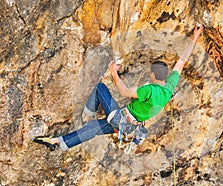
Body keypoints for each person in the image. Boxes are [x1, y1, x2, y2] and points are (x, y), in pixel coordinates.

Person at [34, 24, 204, 152]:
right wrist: (195, 38)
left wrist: (113, 72)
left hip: (120, 119)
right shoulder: (169, 87)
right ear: (165, 75)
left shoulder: (149, 90)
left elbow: (124, 91)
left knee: (100, 88)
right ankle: (58, 142)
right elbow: (181, 61)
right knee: (93, 129)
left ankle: (87, 114)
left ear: (152, 75)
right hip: (129, 128)